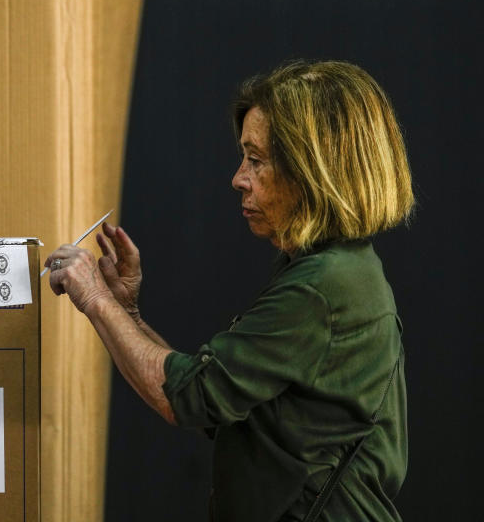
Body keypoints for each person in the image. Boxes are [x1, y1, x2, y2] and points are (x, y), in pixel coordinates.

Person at [45, 60, 414, 522]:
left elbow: (186, 397)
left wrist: (96, 300)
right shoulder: (335, 271)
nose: (238, 178)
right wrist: (127, 313)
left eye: (255, 160)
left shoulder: (324, 288)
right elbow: (213, 396)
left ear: (313, 170)